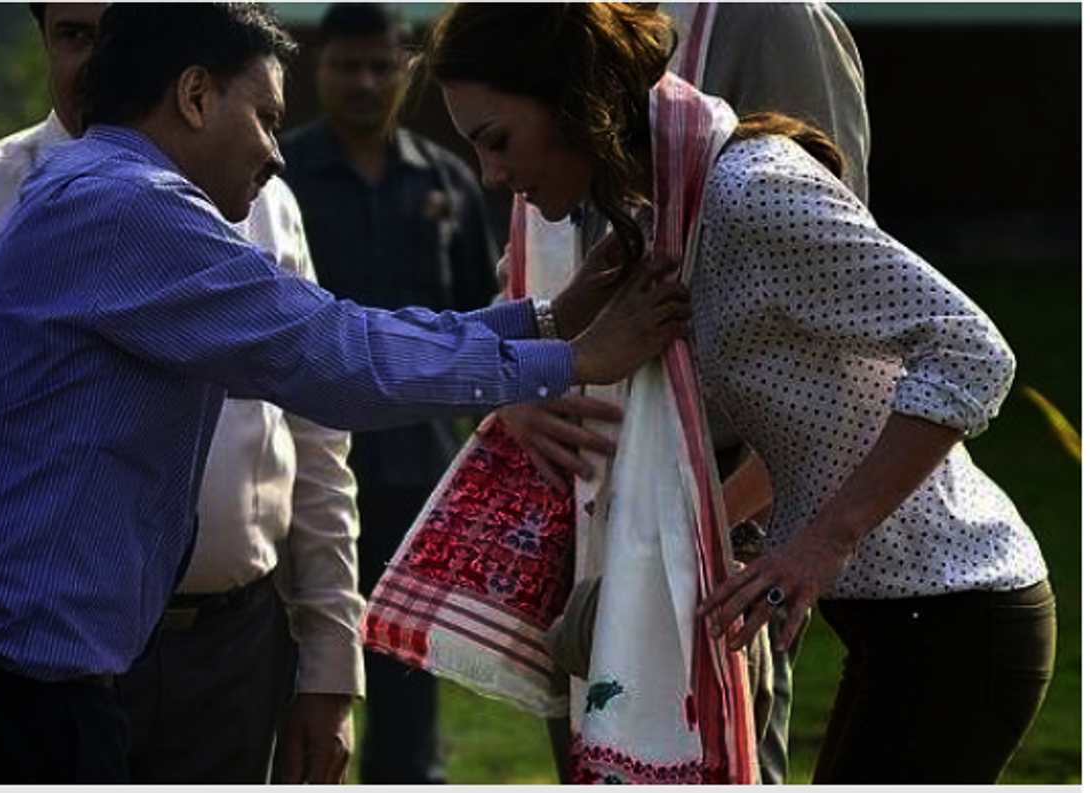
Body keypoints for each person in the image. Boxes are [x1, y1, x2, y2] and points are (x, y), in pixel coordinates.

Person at [0, 4, 690, 784]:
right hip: (18, 694)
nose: (276, 152)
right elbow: (340, 360)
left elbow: (342, 336)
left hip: (33, 674)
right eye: (265, 116)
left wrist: (544, 318)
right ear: (196, 95)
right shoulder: (129, 206)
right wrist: (571, 358)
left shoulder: (93, 186)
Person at [422, 3, 1055, 784]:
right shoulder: (671, 212)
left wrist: (824, 541)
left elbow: (974, 351)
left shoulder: (750, 191)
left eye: (497, 141)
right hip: (903, 624)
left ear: (572, 100)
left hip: (959, 612)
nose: (492, 177)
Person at [0, 4, 361, 783]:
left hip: (232, 652)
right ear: (42, 40)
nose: (110, 60)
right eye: (77, 36)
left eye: (132, 31)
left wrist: (330, 661)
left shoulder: (260, 194)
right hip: (21, 671)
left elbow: (317, 427)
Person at [496, 2, 872, 783]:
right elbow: (543, 248)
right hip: (581, 500)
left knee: (703, 758)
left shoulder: (766, 22)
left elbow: (837, 310)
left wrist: (733, 521)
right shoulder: (560, 18)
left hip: (711, 505)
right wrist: (520, 383)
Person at [278, 5, 499, 783]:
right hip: (304, 468)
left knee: (409, 658)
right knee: (299, 657)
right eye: (348, 65)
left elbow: (486, 322)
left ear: (408, 69)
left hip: (422, 466)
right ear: (320, 68)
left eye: (382, 65)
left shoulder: (447, 181)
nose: (365, 82)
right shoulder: (278, 178)